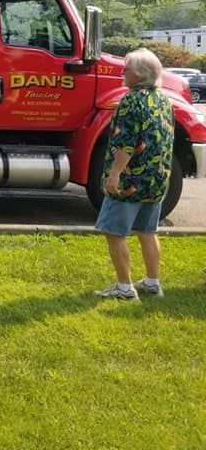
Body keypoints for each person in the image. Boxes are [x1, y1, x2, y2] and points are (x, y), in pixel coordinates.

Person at [94, 48, 174, 300]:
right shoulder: (163, 99)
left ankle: (124, 288)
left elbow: (126, 143)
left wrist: (114, 174)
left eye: (126, 68)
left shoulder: (131, 100)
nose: (122, 71)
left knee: (114, 232)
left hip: (131, 181)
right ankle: (152, 283)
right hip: (156, 179)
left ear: (139, 74)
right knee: (147, 231)